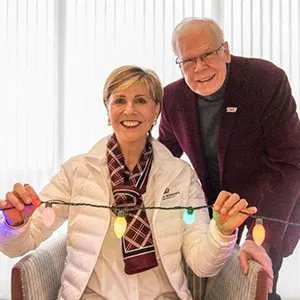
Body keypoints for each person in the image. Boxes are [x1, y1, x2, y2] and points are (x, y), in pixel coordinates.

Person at [0, 65, 257, 300]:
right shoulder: (77, 171)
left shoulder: (180, 175)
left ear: (156, 110)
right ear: (107, 108)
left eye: (141, 101)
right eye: (119, 100)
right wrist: (15, 224)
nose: (129, 110)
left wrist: (222, 232)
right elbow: (21, 244)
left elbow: (202, 263)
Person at [158, 17, 300, 300]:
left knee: (256, 284)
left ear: (225, 50)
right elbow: (163, 156)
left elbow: (288, 162)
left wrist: (260, 238)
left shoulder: (265, 80)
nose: (199, 67)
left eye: (207, 54)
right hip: (213, 214)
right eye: (188, 60)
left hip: (266, 208)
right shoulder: (172, 98)